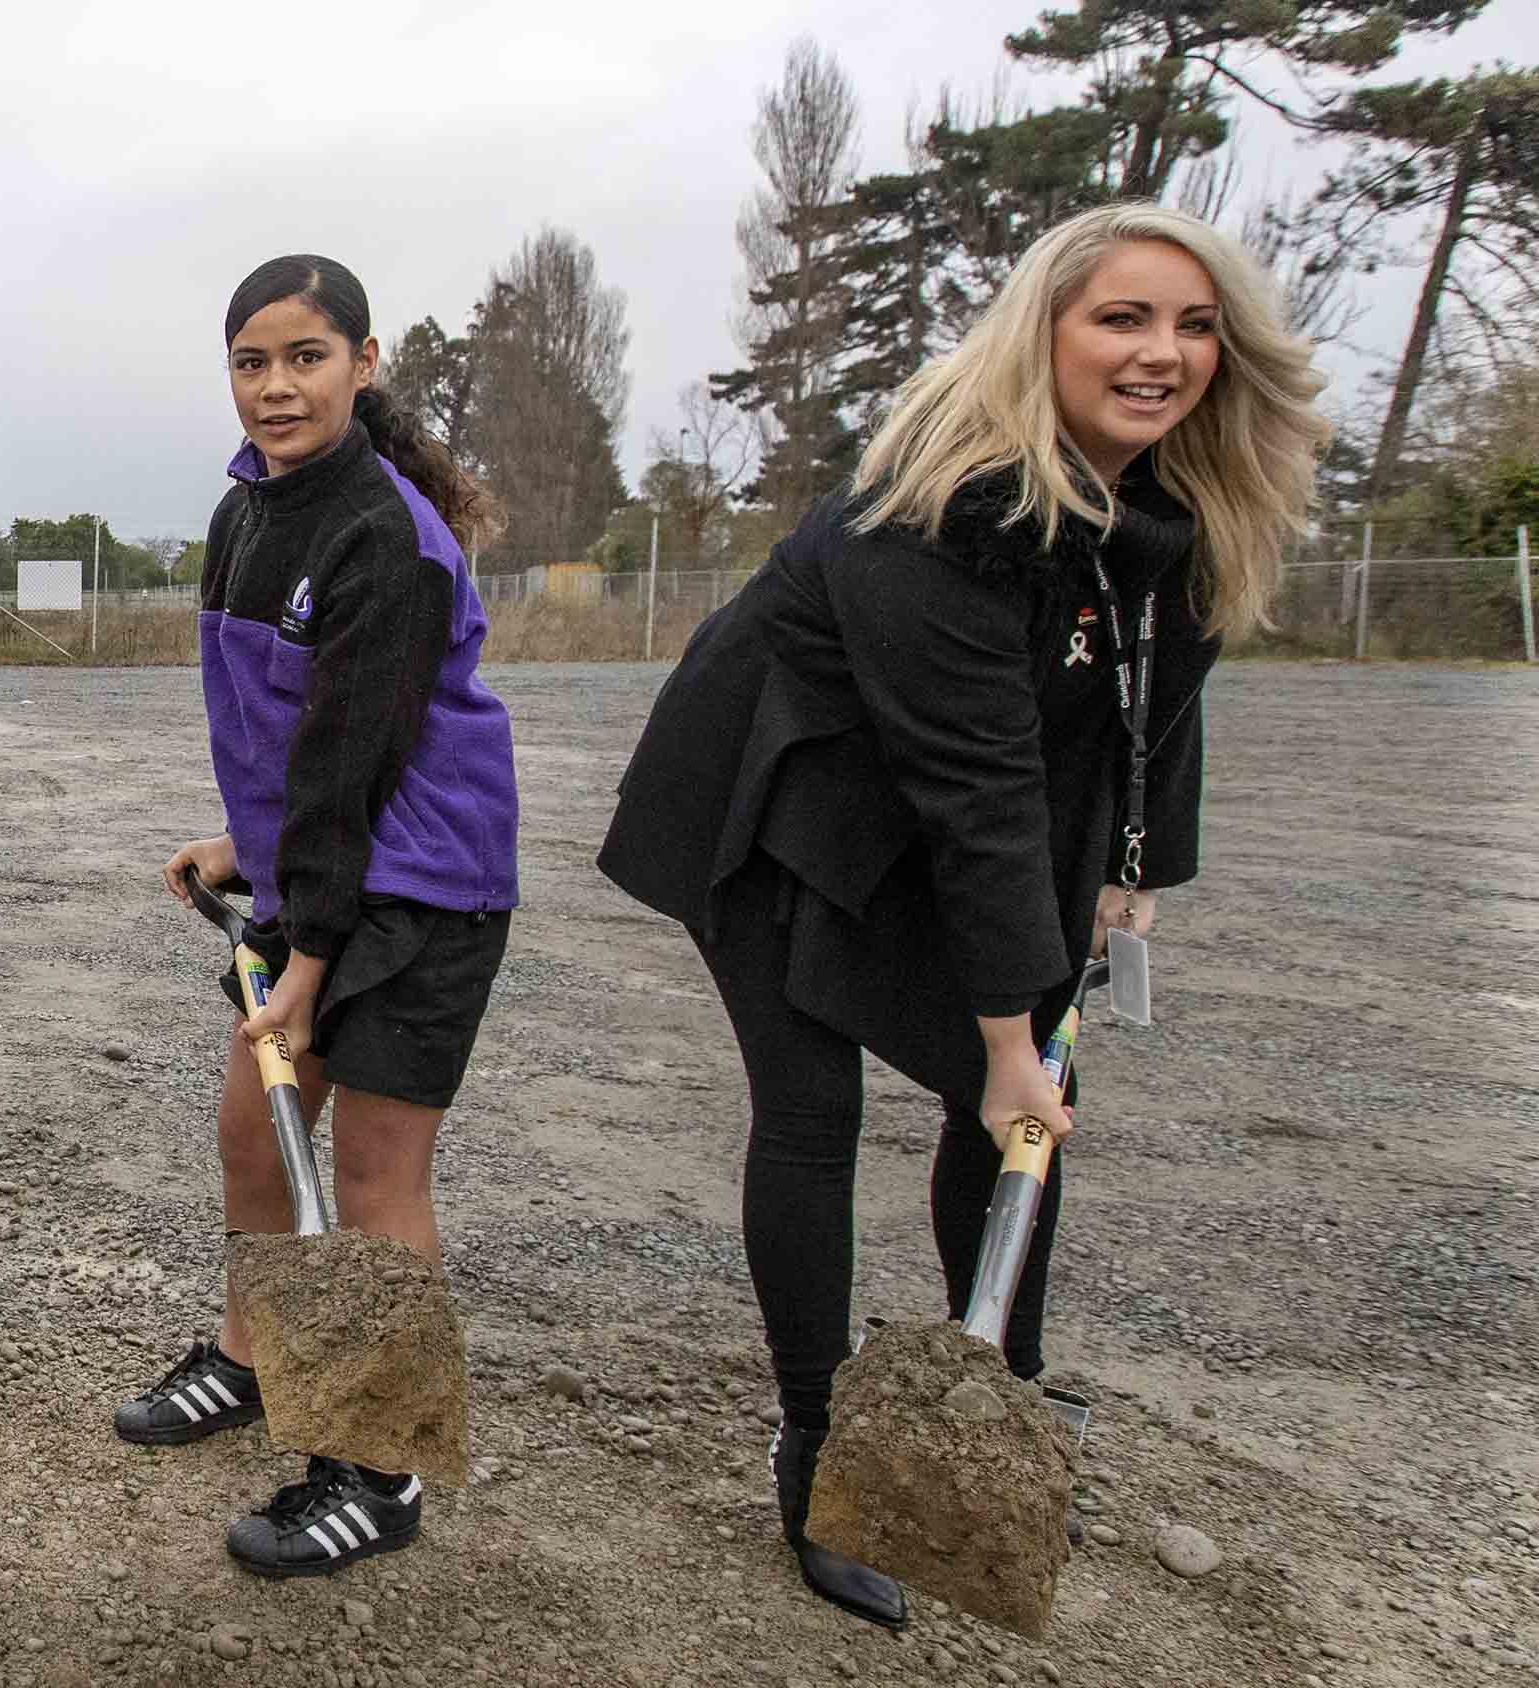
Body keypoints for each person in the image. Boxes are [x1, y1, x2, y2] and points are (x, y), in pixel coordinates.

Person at [597, 203, 1329, 1625]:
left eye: (1193, 326)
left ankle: (1001, 1398)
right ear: (1043, 334)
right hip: (768, 788)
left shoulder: (1185, 503)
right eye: (1122, 319)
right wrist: (1011, 1034)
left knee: (1013, 1111)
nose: (1163, 353)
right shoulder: (944, 513)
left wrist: (1132, 879)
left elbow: (1154, 709)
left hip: (935, 799)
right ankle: (817, 1446)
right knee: (821, 1106)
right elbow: (977, 785)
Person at [124, 254, 519, 1577]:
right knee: (257, 1126)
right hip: (329, 872)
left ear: (363, 363)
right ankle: (252, 1358)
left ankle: (381, 1467)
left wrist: (314, 953)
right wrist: (252, 844)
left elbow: (361, 756)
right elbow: (285, 734)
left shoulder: (385, 531)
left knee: (372, 1180)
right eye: (252, 360)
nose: (277, 386)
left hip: (426, 888)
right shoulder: (249, 514)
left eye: (306, 357)